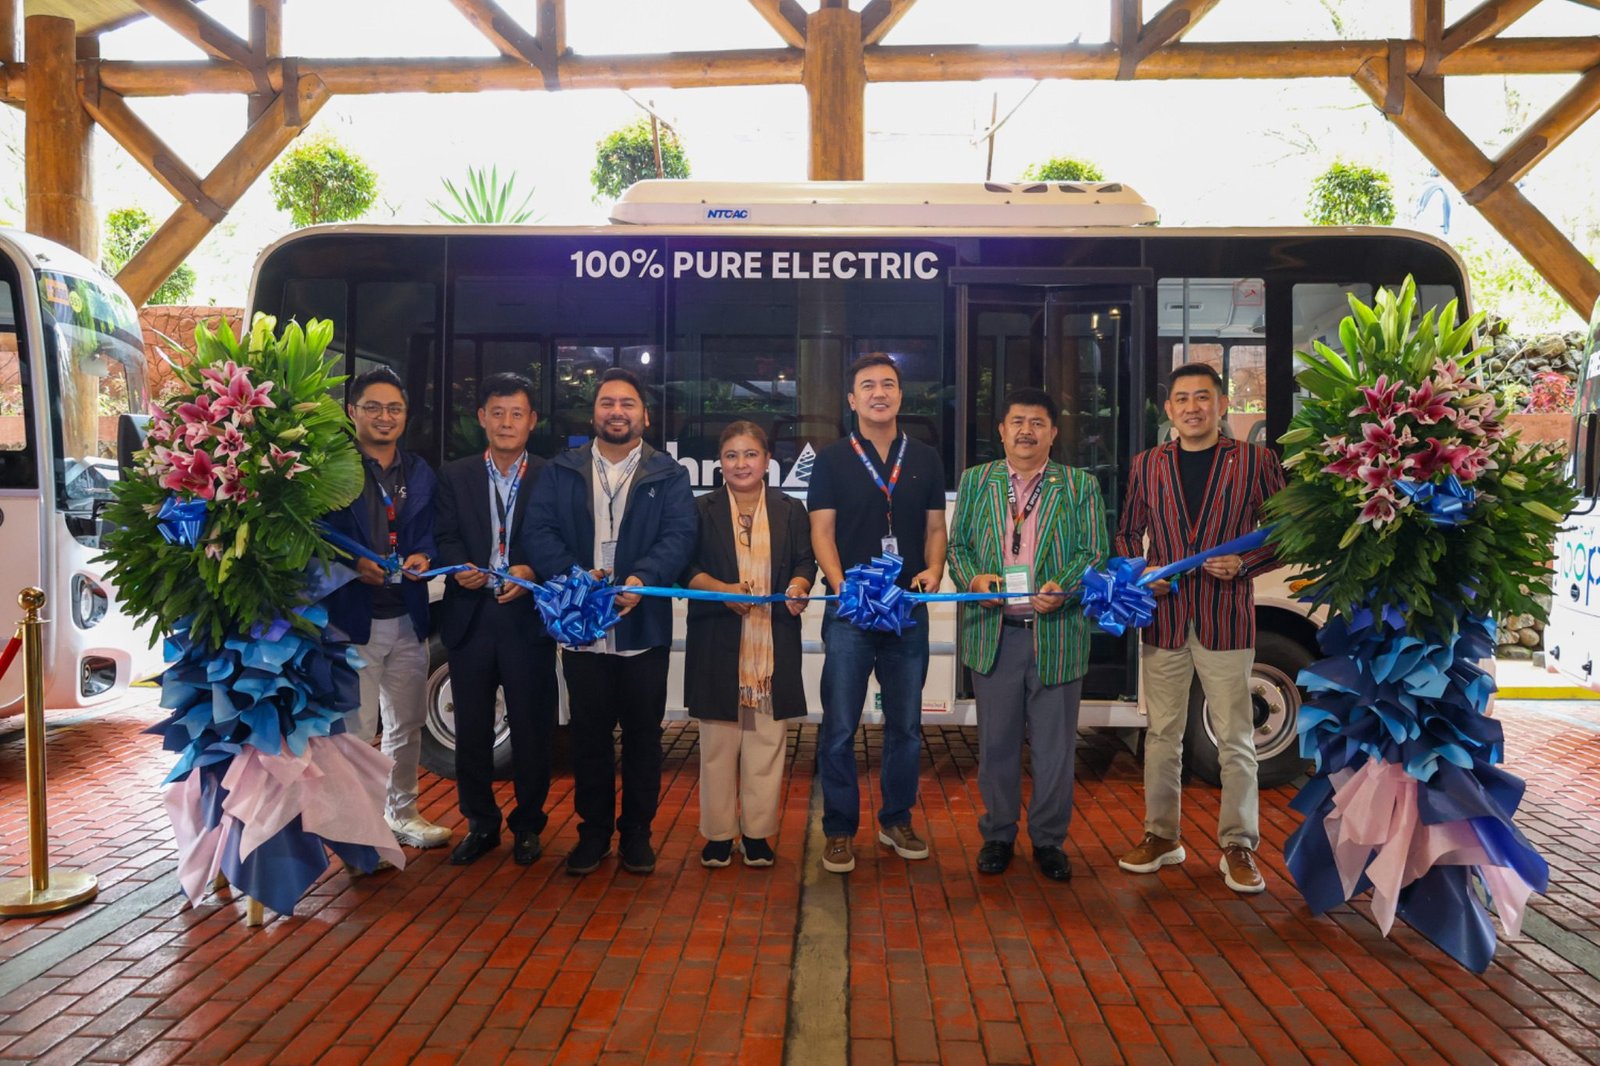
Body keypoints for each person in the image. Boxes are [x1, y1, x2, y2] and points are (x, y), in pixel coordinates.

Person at [1114, 362, 1285, 894]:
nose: (1193, 407)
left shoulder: (1255, 461)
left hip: (1225, 617)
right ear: (1169, 409)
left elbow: (1285, 532)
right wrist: (1144, 573)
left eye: (1203, 397)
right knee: (1162, 735)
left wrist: (1245, 565)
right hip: (1164, 620)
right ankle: (1161, 836)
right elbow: (1127, 533)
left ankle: (1239, 845)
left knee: (1235, 738)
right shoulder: (1147, 465)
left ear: (1221, 404)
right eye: (1182, 399)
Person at [524, 367, 696, 877]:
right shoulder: (562, 470)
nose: (617, 412)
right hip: (583, 629)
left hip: (643, 630)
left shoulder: (669, 473)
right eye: (607, 403)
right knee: (589, 738)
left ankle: (637, 834)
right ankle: (594, 834)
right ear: (594, 413)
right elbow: (539, 531)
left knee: (644, 738)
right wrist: (577, 578)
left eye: (627, 403)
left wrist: (644, 578)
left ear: (645, 415)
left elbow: (680, 535)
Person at [947, 388, 1107, 882]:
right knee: (996, 744)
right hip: (995, 633)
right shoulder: (977, 482)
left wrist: (1065, 587)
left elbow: (1094, 551)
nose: (1026, 431)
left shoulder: (1079, 486)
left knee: (1054, 749)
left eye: (1037, 423)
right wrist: (973, 581)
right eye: (1017, 421)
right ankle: (998, 835)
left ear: (1053, 433)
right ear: (1002, 430)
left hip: (1056, 633)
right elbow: (958, 547)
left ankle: (1049, 840)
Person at [808, 352, 947, 875]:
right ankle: (839, 829)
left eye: (888, 384)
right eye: (867, 385)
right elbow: (822, 532)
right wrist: (842, 588)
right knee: (840, 727)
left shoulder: (926, 457)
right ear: (852, 399)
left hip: (906, 611)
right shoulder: (831, 459)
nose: (878, 393)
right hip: (850, 613)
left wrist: (935, 570)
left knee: (905, 726)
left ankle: (896, 820)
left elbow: (936, 529)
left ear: (900, 396)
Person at [432, 373, 557, 867]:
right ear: (482, 418)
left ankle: (528, 826)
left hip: (525, 617)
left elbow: (562, 537)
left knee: (531, 729)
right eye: (498, 413)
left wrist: (532, 570)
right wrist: (457, 564)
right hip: (471, 615)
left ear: (532, 421)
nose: (507, 423)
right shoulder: (454, 474)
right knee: (472, 730)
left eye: (517, 414)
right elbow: (443, 534)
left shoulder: (551, 475)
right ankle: (480, 823)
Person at [323, 367, 449, 852]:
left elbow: (430, 532)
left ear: (406, 415)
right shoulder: (332, 469)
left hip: (409, 616)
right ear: (352, 411)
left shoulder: (419, 472)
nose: (384, 416)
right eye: (373, 407)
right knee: (356, 732)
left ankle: (403, 813)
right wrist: (352, 565)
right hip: (353, 621)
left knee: (407, 724)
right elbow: (312, 537)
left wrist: (425, 557)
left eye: (394, 408)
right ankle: (358, 831)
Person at [683, 422, 816, 868]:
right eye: (732, 455)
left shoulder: (790, 509)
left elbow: (805, 562)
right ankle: (719, 835)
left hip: (771, 645)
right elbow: (685, 568)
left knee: (766, 746)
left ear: (767, 461)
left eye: (750, 454)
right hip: (716, 640)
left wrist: (799, 586)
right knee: (717, 749)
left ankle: (757, 835)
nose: (741, 464)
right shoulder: (699, 509)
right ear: (720, 463)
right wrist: (721, 590)